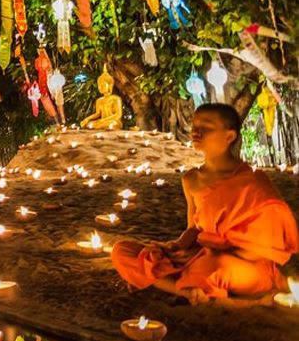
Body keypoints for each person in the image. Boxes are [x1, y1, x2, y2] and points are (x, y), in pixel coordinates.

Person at [110, 103, 298, 305]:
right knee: (122, 250)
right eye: (194, 127)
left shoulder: (253, 182)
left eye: (206, 128)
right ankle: (191, 292)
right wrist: (177, 247)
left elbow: (264, 249)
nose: (196, 133)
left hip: (243, 265)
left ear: (229, 136)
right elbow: (194, 228)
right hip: (199, 255)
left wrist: (212, 253)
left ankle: (180, 285)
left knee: (215, 266)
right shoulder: (191, 179)